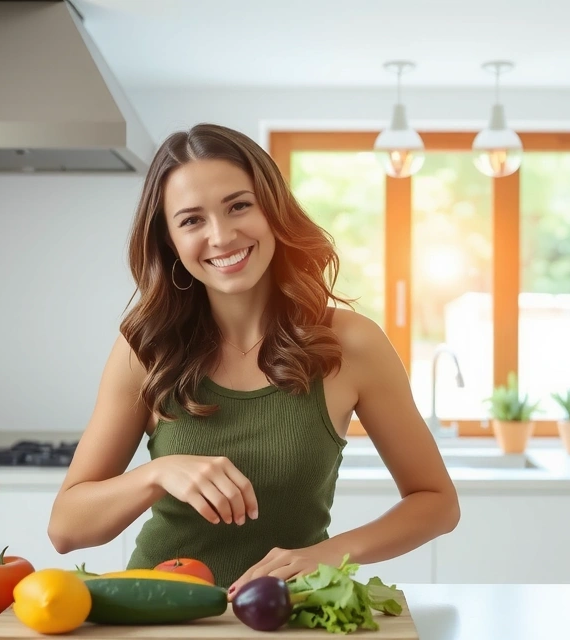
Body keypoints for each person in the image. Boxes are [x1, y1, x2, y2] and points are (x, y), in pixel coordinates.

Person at [46, 123, 460, 597]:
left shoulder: (351, 344)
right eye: (191, 220)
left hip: (289, 616)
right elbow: (66, 529)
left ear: (273, 210)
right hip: (162, 614)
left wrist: (328, 554)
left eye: (239, 206)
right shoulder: (146, 347)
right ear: (170, 241)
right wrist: (159, 472)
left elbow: (437, 502)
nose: (221, 236)